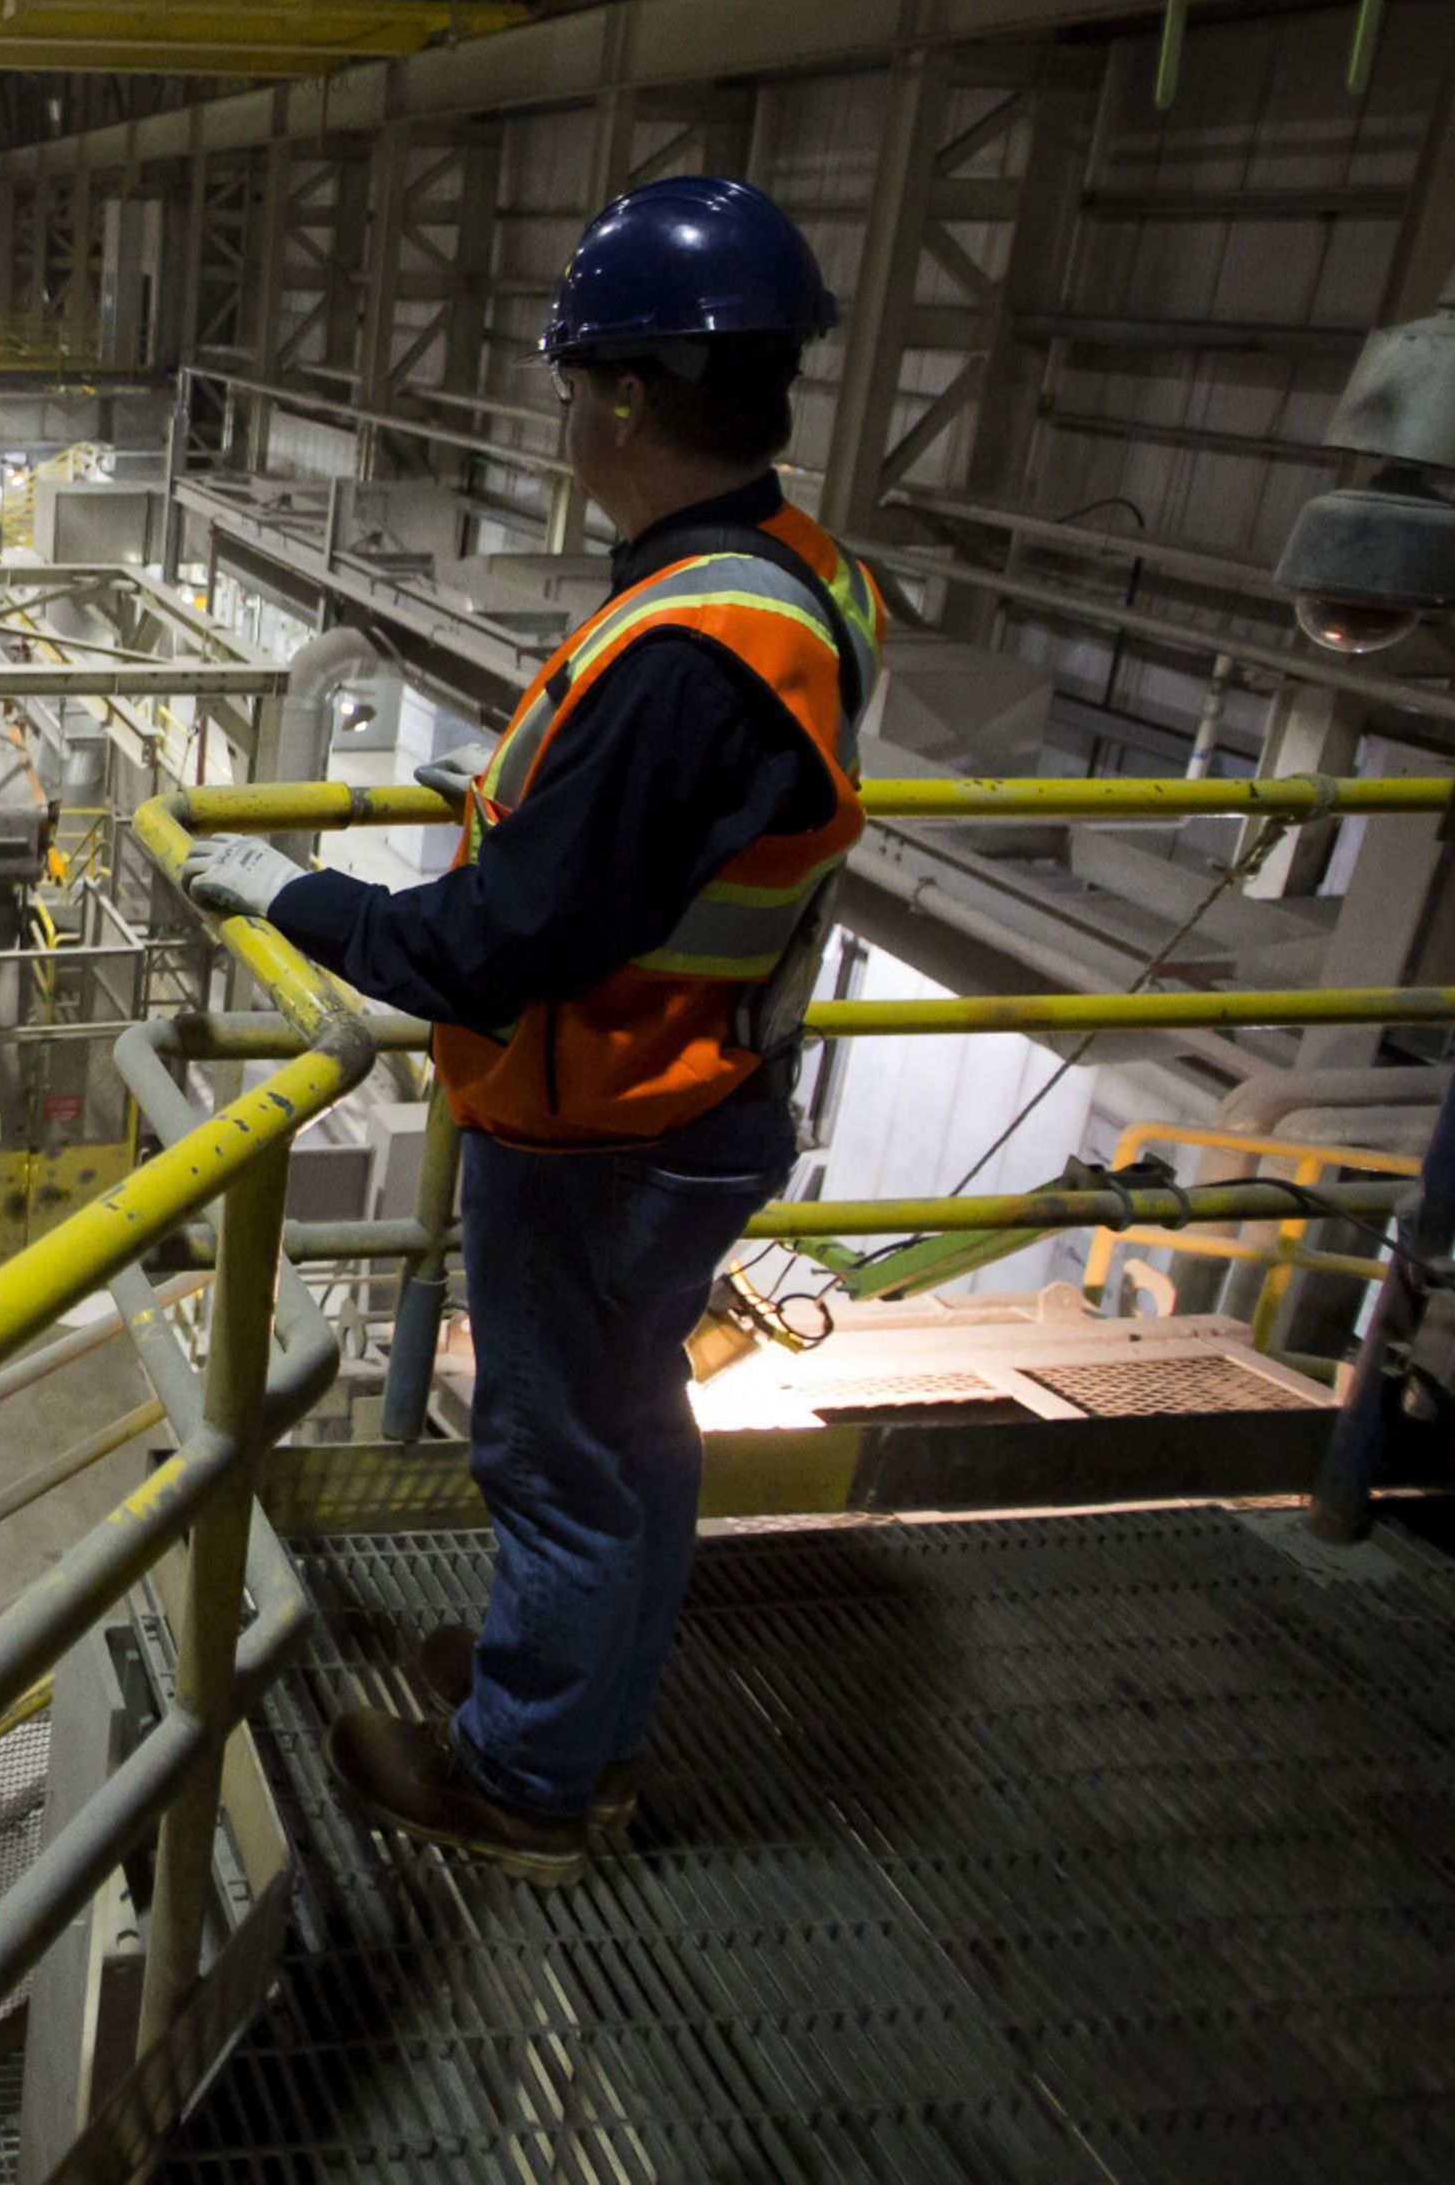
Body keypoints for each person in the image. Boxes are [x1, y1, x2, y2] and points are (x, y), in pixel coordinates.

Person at [179, 175, 882, 1885]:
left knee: (562, 1466)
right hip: (694, 1094)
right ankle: (567, 1707)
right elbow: (645, 840)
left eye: (576, 385)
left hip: (602, 1127)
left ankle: (519, 1782)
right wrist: (523, 806)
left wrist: (284, 893)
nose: (567, 418)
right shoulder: (794, 576)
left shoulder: (685, 647)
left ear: (629, 397)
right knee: (635, 1441)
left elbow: (487, 954)